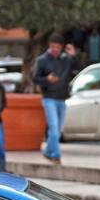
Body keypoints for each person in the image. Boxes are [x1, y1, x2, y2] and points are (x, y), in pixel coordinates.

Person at [32, 32, 75, 163]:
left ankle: (47, 152)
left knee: (58, 130)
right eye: (53, 46)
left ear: (62, 47)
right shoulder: (42, 60)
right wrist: (47, 79)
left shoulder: (65, 59)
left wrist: (73, 56)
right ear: (50, 45)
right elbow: (35, 78)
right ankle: (56, 156)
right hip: (49, 98)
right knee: (54, 127)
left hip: (62, 98)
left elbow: (77, 69)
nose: (55, 49)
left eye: (58, 47)